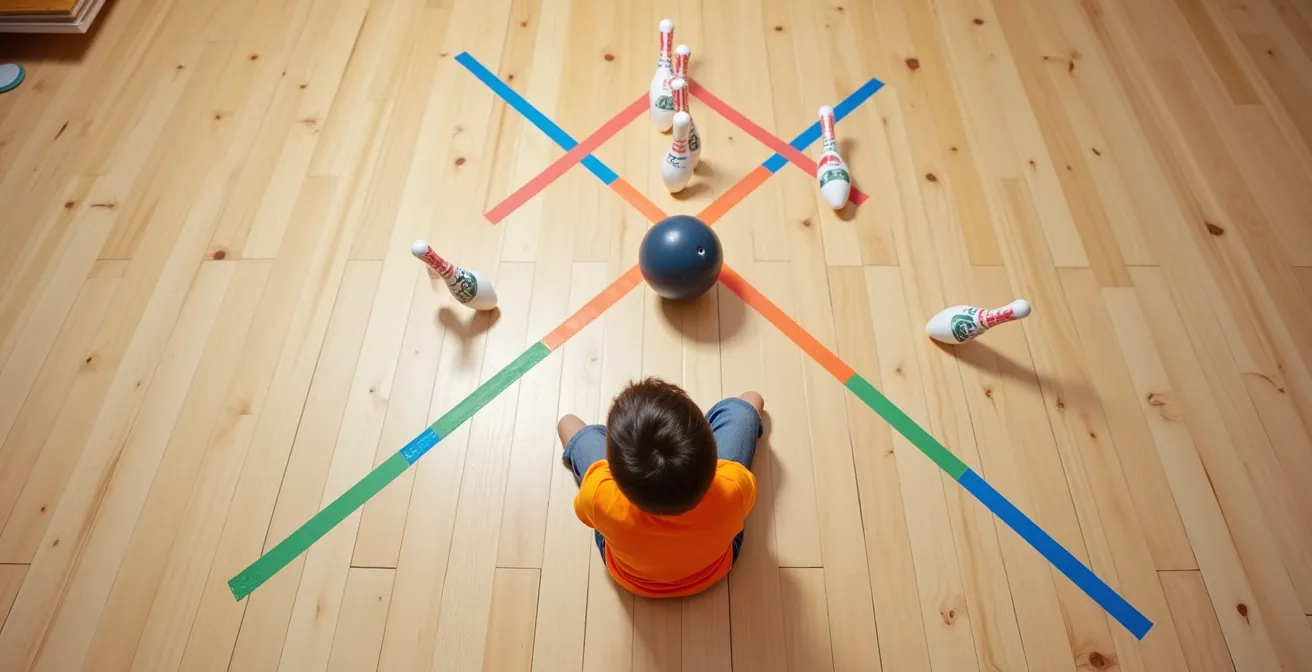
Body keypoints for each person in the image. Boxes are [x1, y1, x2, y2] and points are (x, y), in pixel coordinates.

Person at [557, 377, 763, 598]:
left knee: (568, 423)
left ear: (612, 473)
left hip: (632, 579)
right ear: (712, 454)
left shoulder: (599, 493)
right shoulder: (733, 485)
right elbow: (755, 400)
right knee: (749, 402)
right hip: (712, 570)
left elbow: (585, 514)